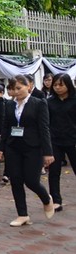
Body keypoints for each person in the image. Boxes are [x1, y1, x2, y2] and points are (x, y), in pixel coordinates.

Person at [0, 75, 55, 226]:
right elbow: (5, 127)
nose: (16, 91)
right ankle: (22, 214)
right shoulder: (9, 105)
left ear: (28, 86)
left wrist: (48, 152)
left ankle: (47, 199)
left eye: (19, 88)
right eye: (13, 89)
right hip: (13, 146)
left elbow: (44, 128)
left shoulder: (39, 103)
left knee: (31, 181)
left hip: (33, 147)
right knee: (15, 180)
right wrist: (1, 147)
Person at [46, 73, 76, 212]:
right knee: (54, 171)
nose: (57, 87)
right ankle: (56, 200)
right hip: (55, 141)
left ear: (68, 85)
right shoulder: (50, 102)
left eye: (61, 85)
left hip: (73, 140)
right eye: (55, 85)